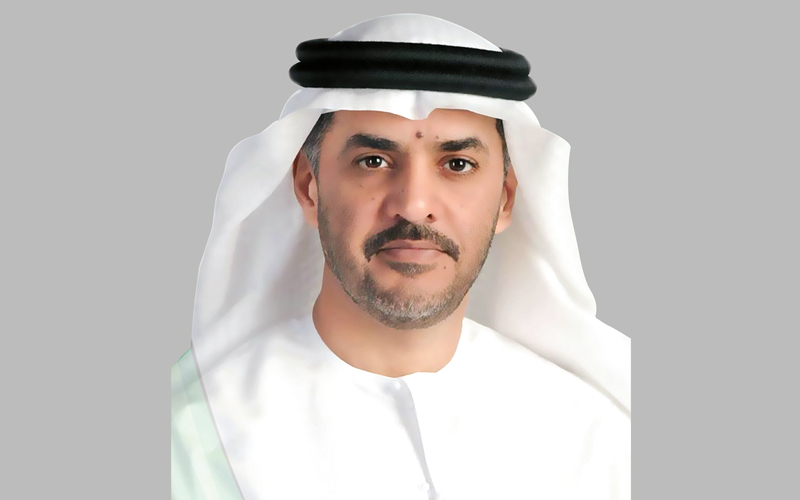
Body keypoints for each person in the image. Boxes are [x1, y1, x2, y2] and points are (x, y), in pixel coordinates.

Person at [172, 14, 631, 500]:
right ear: (309, 188)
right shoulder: (198, 440)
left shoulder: (596, 443)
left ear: (505, 199)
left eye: (458, 164)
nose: (413, 204)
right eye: (373, 161)